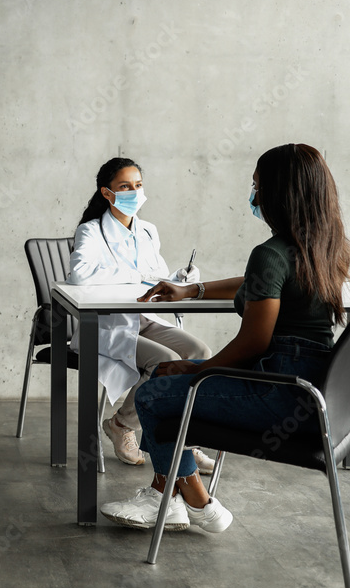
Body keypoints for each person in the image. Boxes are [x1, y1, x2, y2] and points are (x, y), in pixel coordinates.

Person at [101, 143, 350, 532]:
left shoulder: (270, 253)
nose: (254, 196)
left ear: (279, 194)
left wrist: (191, 367)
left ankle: (187, 499)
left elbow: (254, 342)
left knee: (154, 392)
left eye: (258, 186)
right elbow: (266, 283)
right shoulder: (332, 249)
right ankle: (179, 497)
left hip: (277, 392)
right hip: (321, 397)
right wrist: (192, 291)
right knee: (172, 385)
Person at [68, 157, 214, 471]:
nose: (134, 192)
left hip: (144, 317)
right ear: (107, 193)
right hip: (108, 325)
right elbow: (79, 276)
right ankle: (122, 424)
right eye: (125, 187)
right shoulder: (91, 231)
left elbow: (154, 276)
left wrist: (181, 278)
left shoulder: (148, 231)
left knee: (199, 352)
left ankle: (184, 440)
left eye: (138, 185)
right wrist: (131, 276)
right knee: (165, 362)